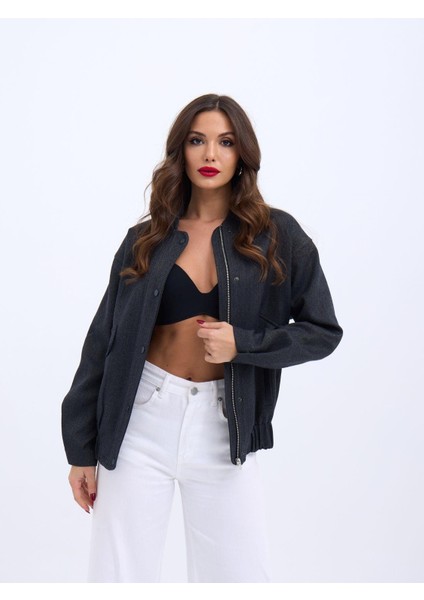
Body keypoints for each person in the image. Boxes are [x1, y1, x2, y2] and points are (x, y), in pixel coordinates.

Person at [61, 93, 343, 583]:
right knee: (118, 576)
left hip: (225, 424)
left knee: (238, 578)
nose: (211, 154)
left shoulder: (277, 235)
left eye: (226, 142)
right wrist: (80, 450)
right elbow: (102, 340)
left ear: (242, 154)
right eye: (198, 141)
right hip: (139, 419)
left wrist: (245, 344)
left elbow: (322, 331)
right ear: (181, 151)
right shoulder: (146, 238)